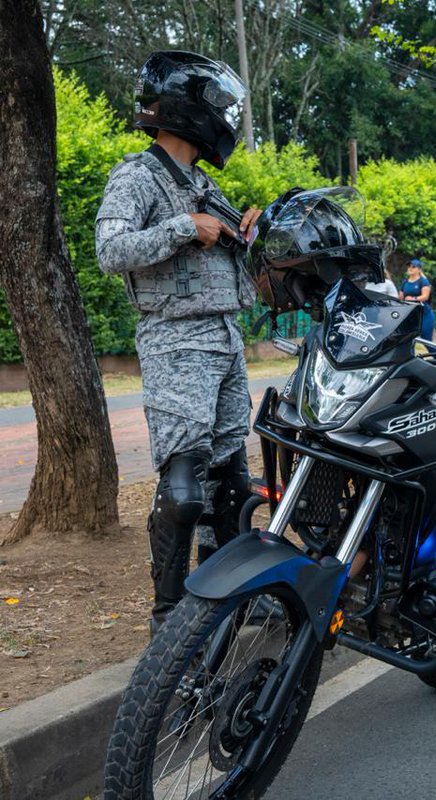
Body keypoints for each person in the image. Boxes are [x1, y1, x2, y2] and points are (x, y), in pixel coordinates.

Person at [95, 51, 260, 629]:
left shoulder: (203, 183)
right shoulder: (137, 176)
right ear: (189, 110)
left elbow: (230, 251)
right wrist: (183, 226)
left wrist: (250, 228)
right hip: (176, 340)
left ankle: (227, 598)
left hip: (225, 336)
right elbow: (110, 250)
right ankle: (169, 615)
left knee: (231, 480)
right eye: (218, 107)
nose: (225, 118)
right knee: (185, 484)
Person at [401, 257, 436, 340]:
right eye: (409, 266)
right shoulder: (405, 282)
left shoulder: (423, 281)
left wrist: (413, 299)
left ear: (419, 270)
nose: (410, 268)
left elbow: (425, 297)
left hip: (424, 314)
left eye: (413, 267)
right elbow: (401, 298)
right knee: (408, 339)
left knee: (426, 339)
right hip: (410, 314)